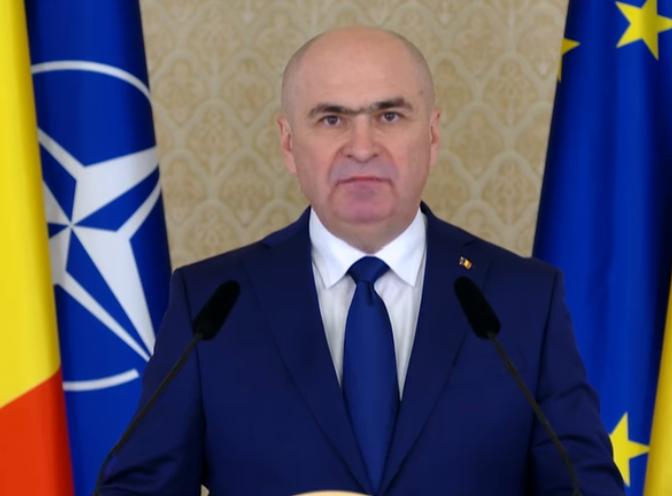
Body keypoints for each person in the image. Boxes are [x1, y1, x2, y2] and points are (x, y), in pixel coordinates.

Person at [99, 27, 624, 495]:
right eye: (332, 119)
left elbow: (585, 487)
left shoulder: (522, 298)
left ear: (432, 135)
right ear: (288, 143)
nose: (362, 147)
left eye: (389, 116)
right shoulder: (212, 304)